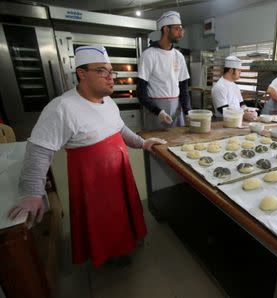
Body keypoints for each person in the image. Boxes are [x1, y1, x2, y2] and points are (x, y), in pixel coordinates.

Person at [9, 45, 166, 268]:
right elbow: (39, 150)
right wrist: (32, 192)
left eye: (112, 72)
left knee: (124, 210)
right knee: (104, 219)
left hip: (118, 173)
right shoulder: (62, 108)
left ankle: (127, 239)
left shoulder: (108, 102)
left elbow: (119, 130)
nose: (111, 78)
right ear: (82, 74)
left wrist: (142, 143)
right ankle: (111, 253)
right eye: (102, 71)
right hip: (94, 181)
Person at [137, 11, 191, 130]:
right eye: (177, 29)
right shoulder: (149, 55)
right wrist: (158, 112)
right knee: (156, 146)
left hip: (176, 109)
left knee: (177, 143)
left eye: (181, 29)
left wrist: (188, 111)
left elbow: (184, 88)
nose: (181, 34)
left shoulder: (179, 56)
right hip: (155, 110)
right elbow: (141, 91)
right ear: (166, 29)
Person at [211, 56, 258, 121]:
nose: (240, 72)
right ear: (231, 70)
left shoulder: (234, 86)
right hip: (223, 122)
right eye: (238, 70)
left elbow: (241, 104)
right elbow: (223, 110)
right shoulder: (219, 87)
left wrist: (248, 110)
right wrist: (243, 114)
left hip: (237, 119)